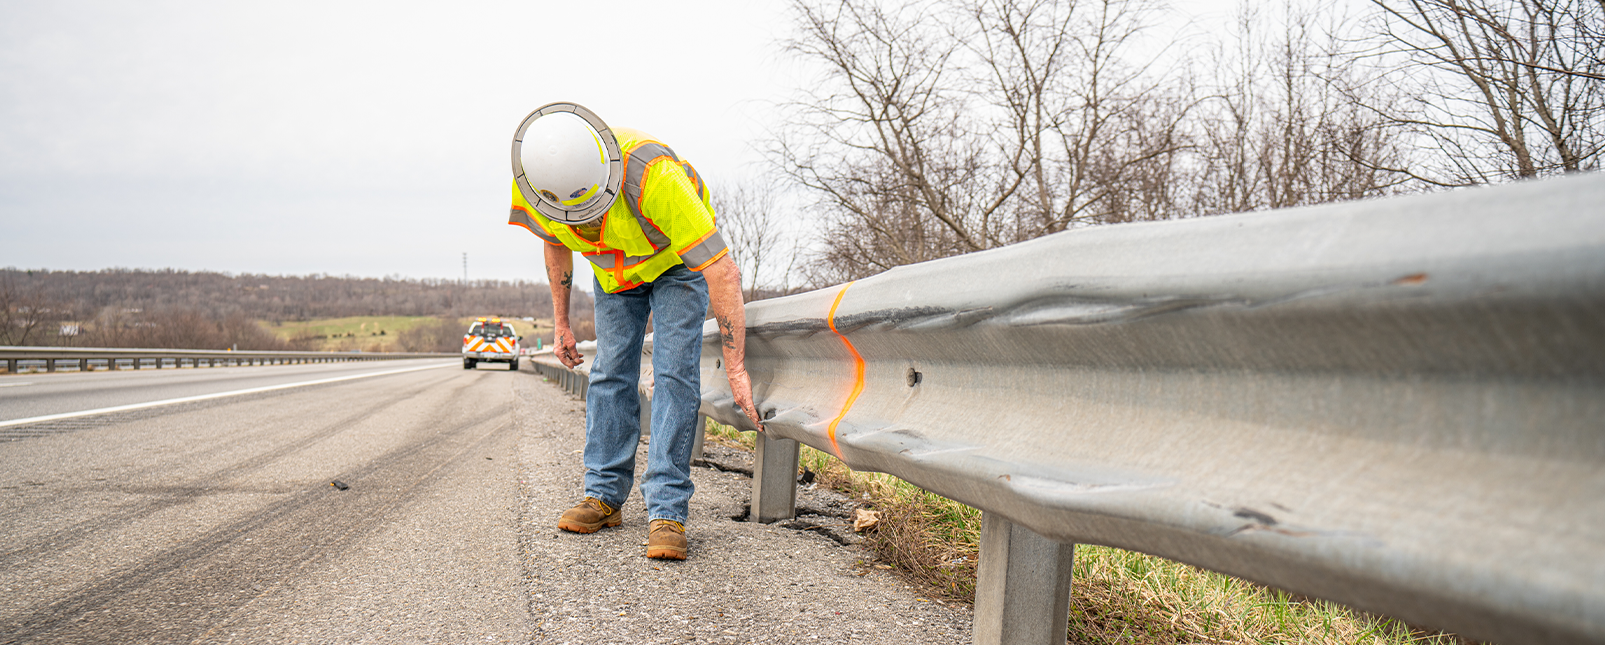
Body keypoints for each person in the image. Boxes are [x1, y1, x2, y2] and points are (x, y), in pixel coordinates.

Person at [508, 103, 764, 561]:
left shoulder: (654, 176)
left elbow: (722, 272)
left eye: (589, 212)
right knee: (610, 373)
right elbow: (553, 241)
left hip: (676, 266)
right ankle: (603, 496)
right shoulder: (536, 178)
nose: (582, 223)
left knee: (673, 375)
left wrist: (737, 365)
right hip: (613, 275)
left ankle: (667, 511)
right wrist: (562, 323)